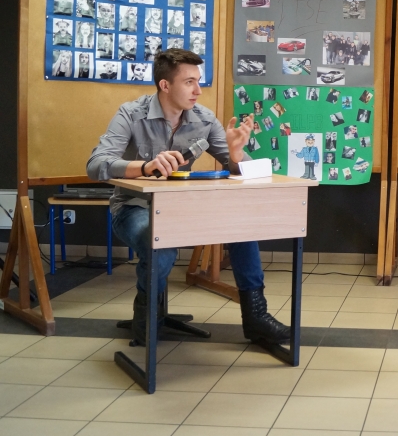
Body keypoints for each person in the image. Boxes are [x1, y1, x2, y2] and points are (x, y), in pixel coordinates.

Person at [86, 49, 289, 345]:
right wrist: (145, 166)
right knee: (160, 244)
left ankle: (257, 318)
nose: (198, 90)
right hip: (134, 208)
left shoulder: (204, 119)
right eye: (189, 82)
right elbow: (95, 165)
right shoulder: (130, 114)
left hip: (183, 208)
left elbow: (245, 169)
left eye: (199, 81)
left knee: (242, 228)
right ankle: (147, 318)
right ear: (165, 85)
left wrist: (235, 155)